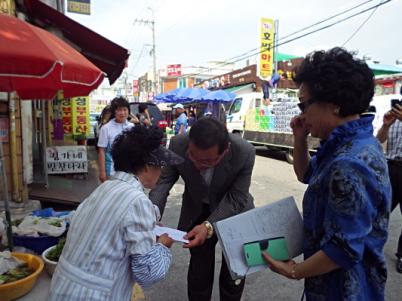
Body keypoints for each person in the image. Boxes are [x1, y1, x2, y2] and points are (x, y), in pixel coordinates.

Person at [263, 47, 391, 301]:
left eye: (304, 104)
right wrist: (299, 139)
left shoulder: (349, 163)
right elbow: (306, 174)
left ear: (333, 105)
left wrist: (294, 270)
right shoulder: (351, 141)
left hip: (344, 291)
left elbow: (343, 249)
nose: (301, 113)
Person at [48, 125, 184, 301]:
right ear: (149, 165)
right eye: (161, 165)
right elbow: (147, 273)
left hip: (62, 289)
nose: (162, 171)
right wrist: (163, 245)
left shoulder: (104, 188)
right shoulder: (137, 201)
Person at [149, 117, 255, 301]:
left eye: (206, 162)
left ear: (225, 152)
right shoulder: (177, 143)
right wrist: (150, 215)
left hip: (234, 211)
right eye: (192, 157)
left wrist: (208, 226)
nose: (197, 166)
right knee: (199, 270)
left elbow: (237, 197)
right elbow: (164, 181)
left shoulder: (244, 151)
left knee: (234, 273)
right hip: (198, 209)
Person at [377, 102, 402, 273]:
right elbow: (379, 140)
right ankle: (369, 246)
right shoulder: (394, 119)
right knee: (379, 211)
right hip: (392, 169)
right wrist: (385, 126)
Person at [97, 97, 133, 182]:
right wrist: (102, 172)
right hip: (112, 172)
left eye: (125, 110)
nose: (122, 113)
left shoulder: (131, 127)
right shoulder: (106, 128)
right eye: (119, 110)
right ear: (114, 112)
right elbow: (101, 150)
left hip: (129, 171)